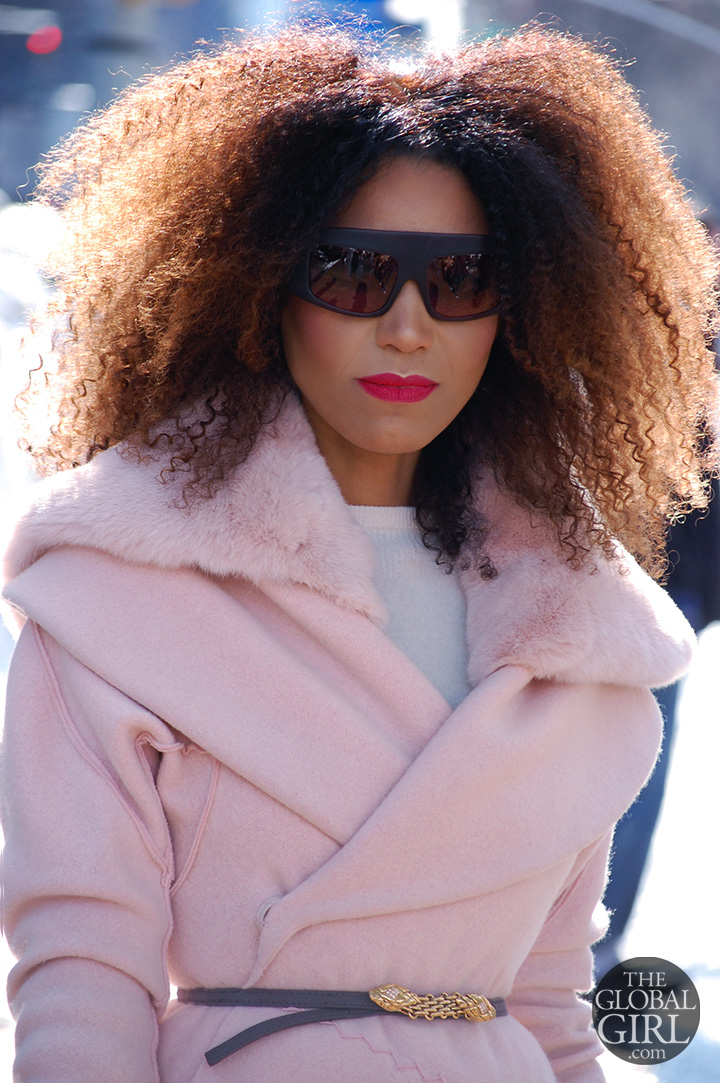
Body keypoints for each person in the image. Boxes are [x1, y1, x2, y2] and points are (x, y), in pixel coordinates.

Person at [1, 21, 718, 1083]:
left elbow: (550, 1006)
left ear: (516, 317)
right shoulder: (116, 589)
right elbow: (81, 977)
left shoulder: (576, 625)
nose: (408, 324)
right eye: (352, 273)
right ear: (257, 288)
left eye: (462, 280)